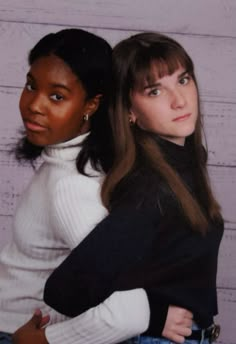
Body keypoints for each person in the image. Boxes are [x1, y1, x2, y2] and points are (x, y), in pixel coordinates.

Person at [0, 28, 188, 344]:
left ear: (91, 105)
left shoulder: (71, 187)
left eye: (56, 96)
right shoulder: (78, 162)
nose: (34, 104)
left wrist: (45, 341)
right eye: (32, 86)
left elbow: (128, 313)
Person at [42, 32, 224, 344]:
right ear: (129, 111)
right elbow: (66, 290)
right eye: (154, 91)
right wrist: (153, 317)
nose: (179, 100)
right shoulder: (151, 188)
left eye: (183, 80)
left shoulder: (182, 162)